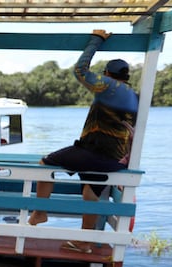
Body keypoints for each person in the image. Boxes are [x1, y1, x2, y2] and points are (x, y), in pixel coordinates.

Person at [28, 29, 139, 254]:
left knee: (45, 164)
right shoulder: (134, 95)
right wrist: (127, 162)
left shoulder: (108, 86)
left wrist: (96, 40)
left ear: (107, 73)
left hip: (94, 152)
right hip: (113, 159)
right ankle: (85, 242)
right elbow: (133, 131)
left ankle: (40, 211)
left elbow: (80, 70)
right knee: (90, 194)